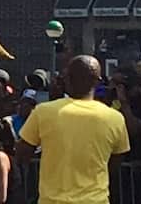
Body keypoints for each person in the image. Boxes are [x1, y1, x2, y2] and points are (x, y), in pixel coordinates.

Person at [19, 55, 129, 204]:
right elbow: (116, 160)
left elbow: (22, 153)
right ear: (97, 82)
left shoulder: (43, 112)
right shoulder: (115, 118)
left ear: (67, 79)